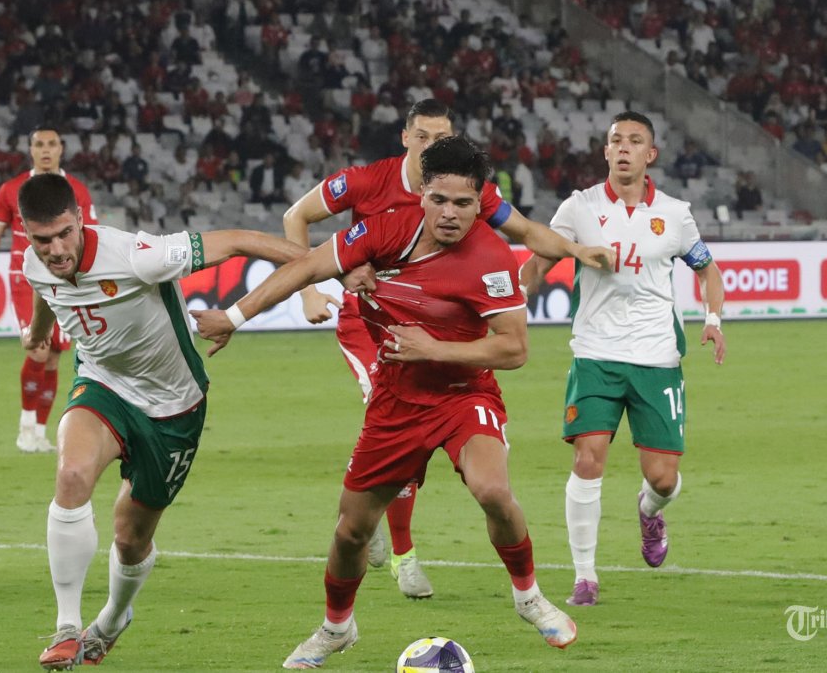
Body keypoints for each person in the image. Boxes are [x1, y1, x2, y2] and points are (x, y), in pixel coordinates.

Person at [197, 137, 579, 669]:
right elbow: (307, 266)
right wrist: (234, 318)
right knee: (351, 530)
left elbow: (514, 349)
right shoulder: (381, 230)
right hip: (396, 399)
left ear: (479, 203)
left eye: (464, 204)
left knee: (493, 488)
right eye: (439, 200)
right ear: (422, 192)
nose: (450, 214)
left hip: (463, 393)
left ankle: (529, 596)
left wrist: (435, 348)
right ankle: (336, 628)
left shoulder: (491, 258)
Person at [282, 98, 613, 599]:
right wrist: (312, 287)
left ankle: (379, 530)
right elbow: (296, 217)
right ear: (405, 137)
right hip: (368, 325)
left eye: (442, 137)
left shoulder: (463, 190)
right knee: (390, 403)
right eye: (424, 136)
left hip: (434, 328)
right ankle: (402, 551)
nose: (432, 145)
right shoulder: (366, 181)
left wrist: (575, 251)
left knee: (423, 416)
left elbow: (524, 231)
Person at [17, 173, 307, 670]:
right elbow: (46, 293)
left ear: (80, 219)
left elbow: (237, 240)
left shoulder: (137, 255)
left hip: (174, 407)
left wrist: (327, 266)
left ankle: (112, 619)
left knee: (130, 538)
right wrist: (37, 335)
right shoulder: (34, 263)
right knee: (71, 475)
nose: (56, 248)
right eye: (43, 240)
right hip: (103, 386)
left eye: (65, 233)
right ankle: (67, 628)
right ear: (27, 235)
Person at [519, 111, 727, 608]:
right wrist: (502, 301)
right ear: (606, 151)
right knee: (587, 458)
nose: (625, 148)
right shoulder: (579, 207)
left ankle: (649, 510)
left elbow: (708, 270)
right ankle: (584, 577)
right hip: (595, 353)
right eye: (617, 140)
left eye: (636, 141)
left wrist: (713, 319)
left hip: (657, 356)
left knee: (663, 477)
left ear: (650, 154)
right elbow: (537, 263)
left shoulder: (675, 214)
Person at [0, 126, 98, 454]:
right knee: (37, 350)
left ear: (61, 149)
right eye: (39, 144)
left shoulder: (77, 190)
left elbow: (93, 235)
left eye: (52, 144)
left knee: (53, 359)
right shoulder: (12, 190)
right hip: (26, 279)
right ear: (30, 149)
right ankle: (25, 427)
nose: (45, 150)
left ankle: (39, 432)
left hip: (66, 280)